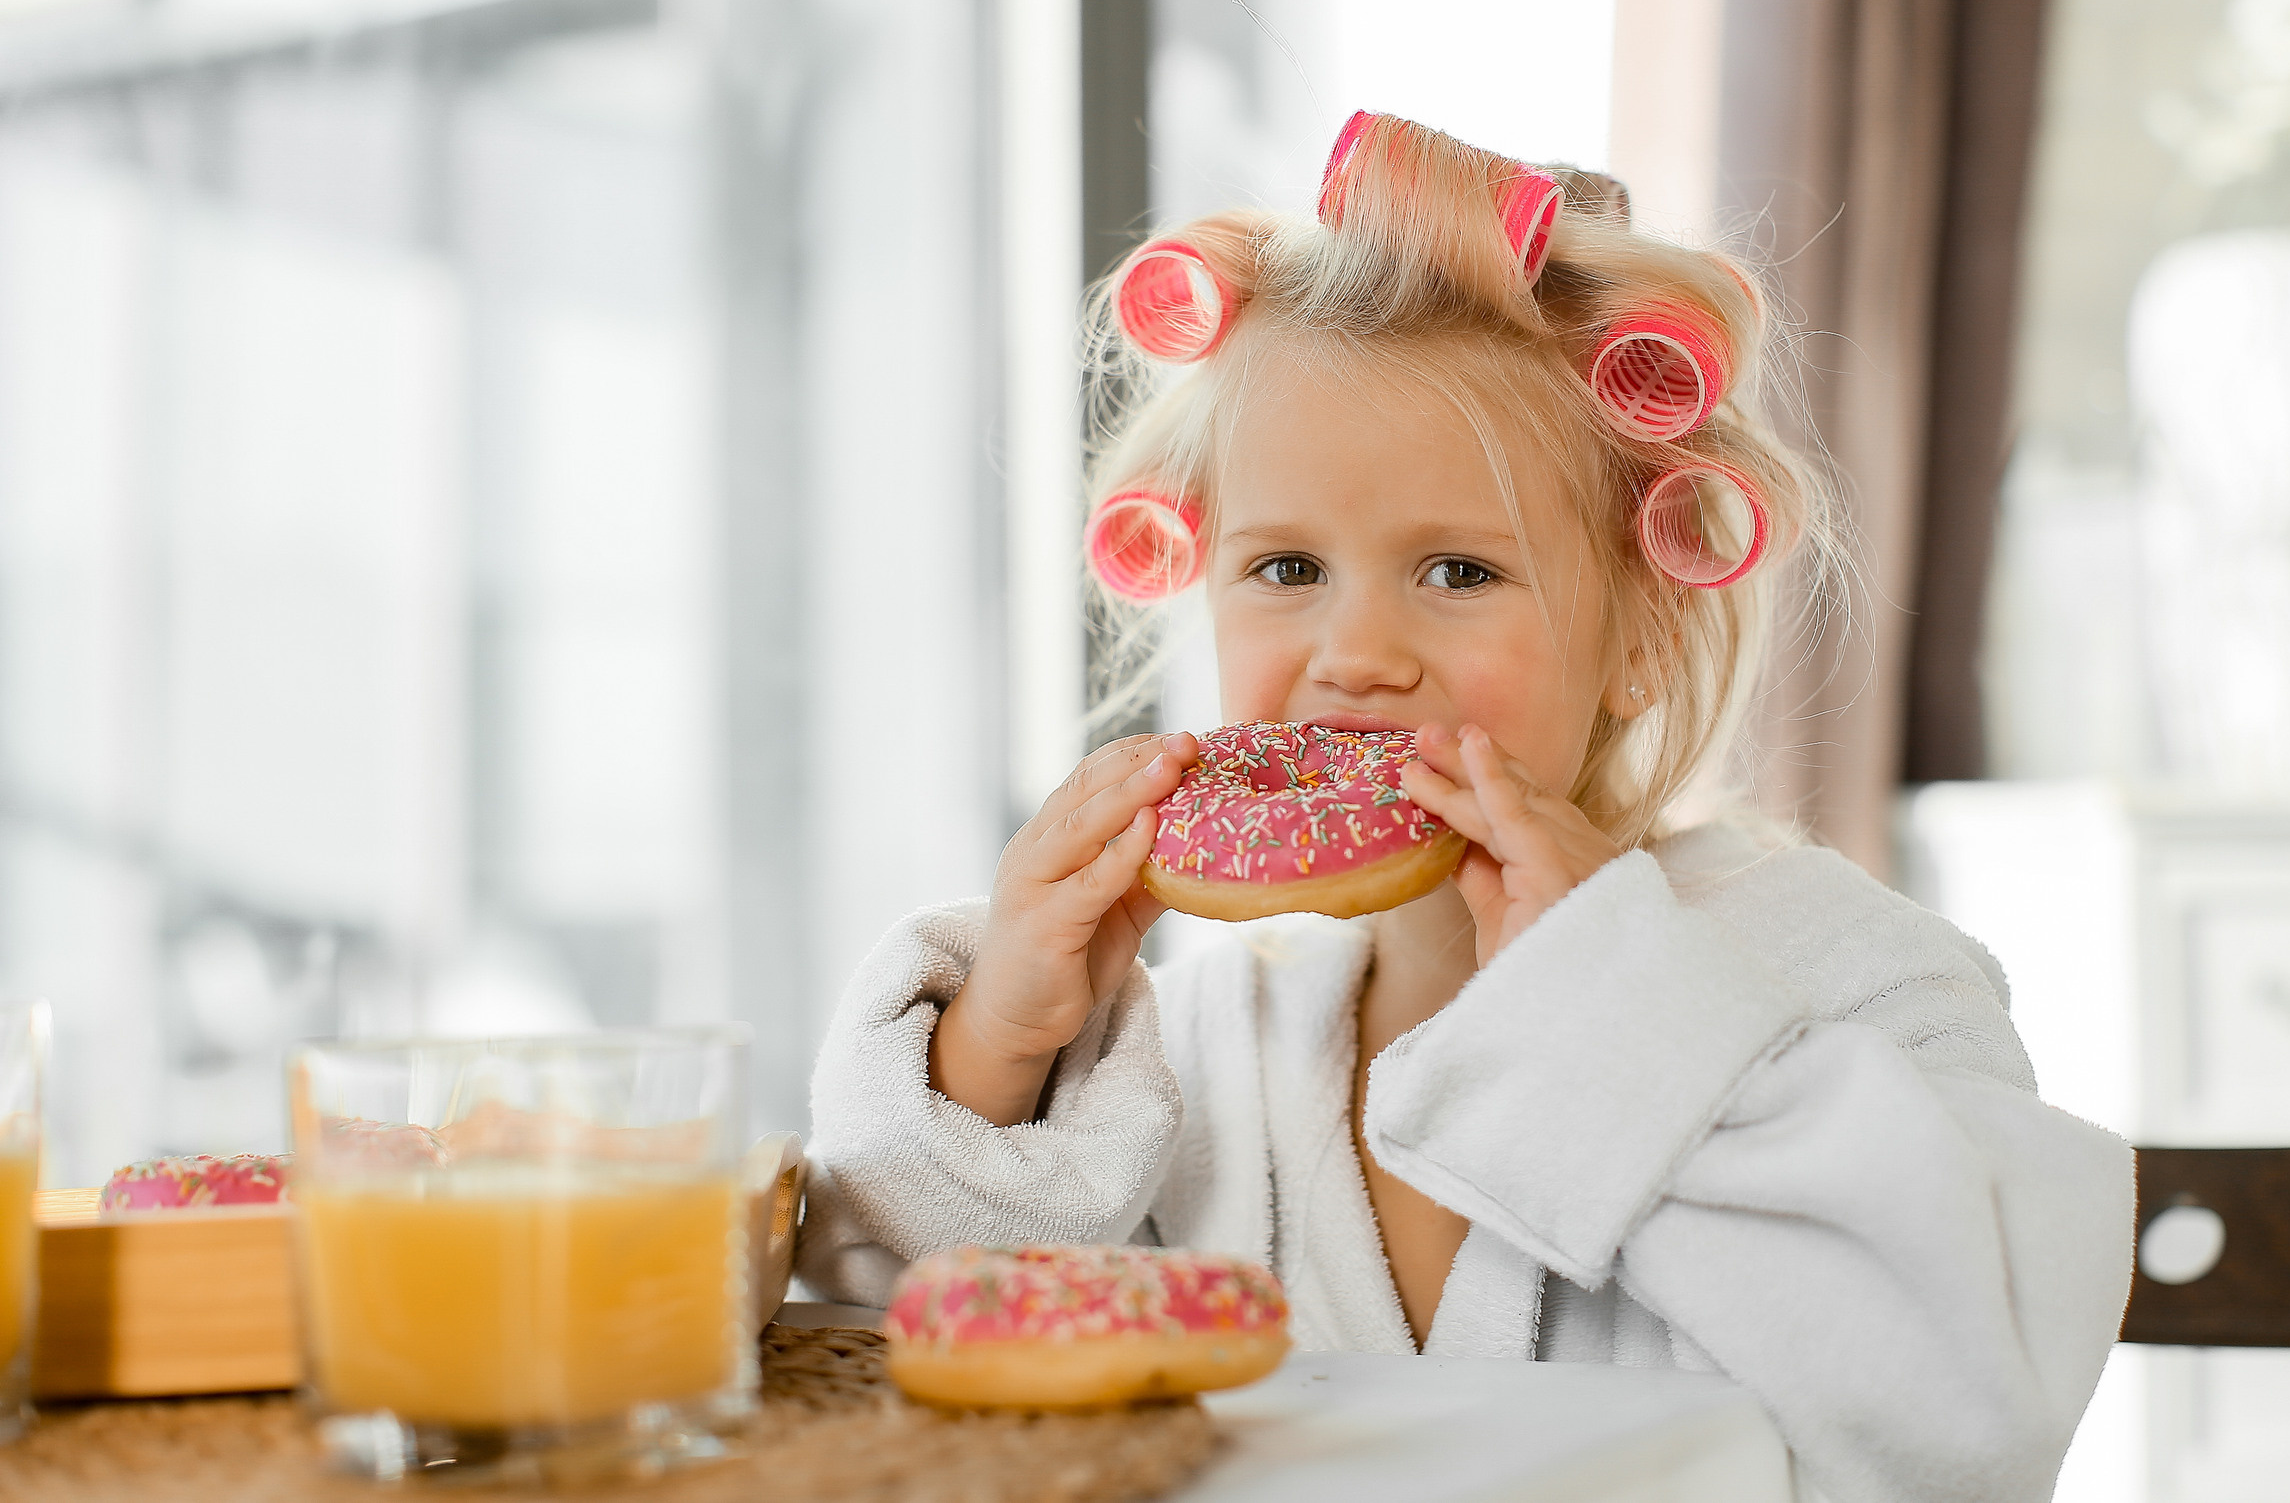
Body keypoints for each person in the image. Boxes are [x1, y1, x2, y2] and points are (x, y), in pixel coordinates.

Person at [801, 113, 2133, 1503]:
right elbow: (901, 1373)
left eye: (1457, 574)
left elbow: (1973, 1410)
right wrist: (1002, 1057)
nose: (1357, 652)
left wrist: (1615, 1016)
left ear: (1641, 642)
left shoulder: (1849, 984)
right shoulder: (1187, 1053)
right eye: (1285, 568)